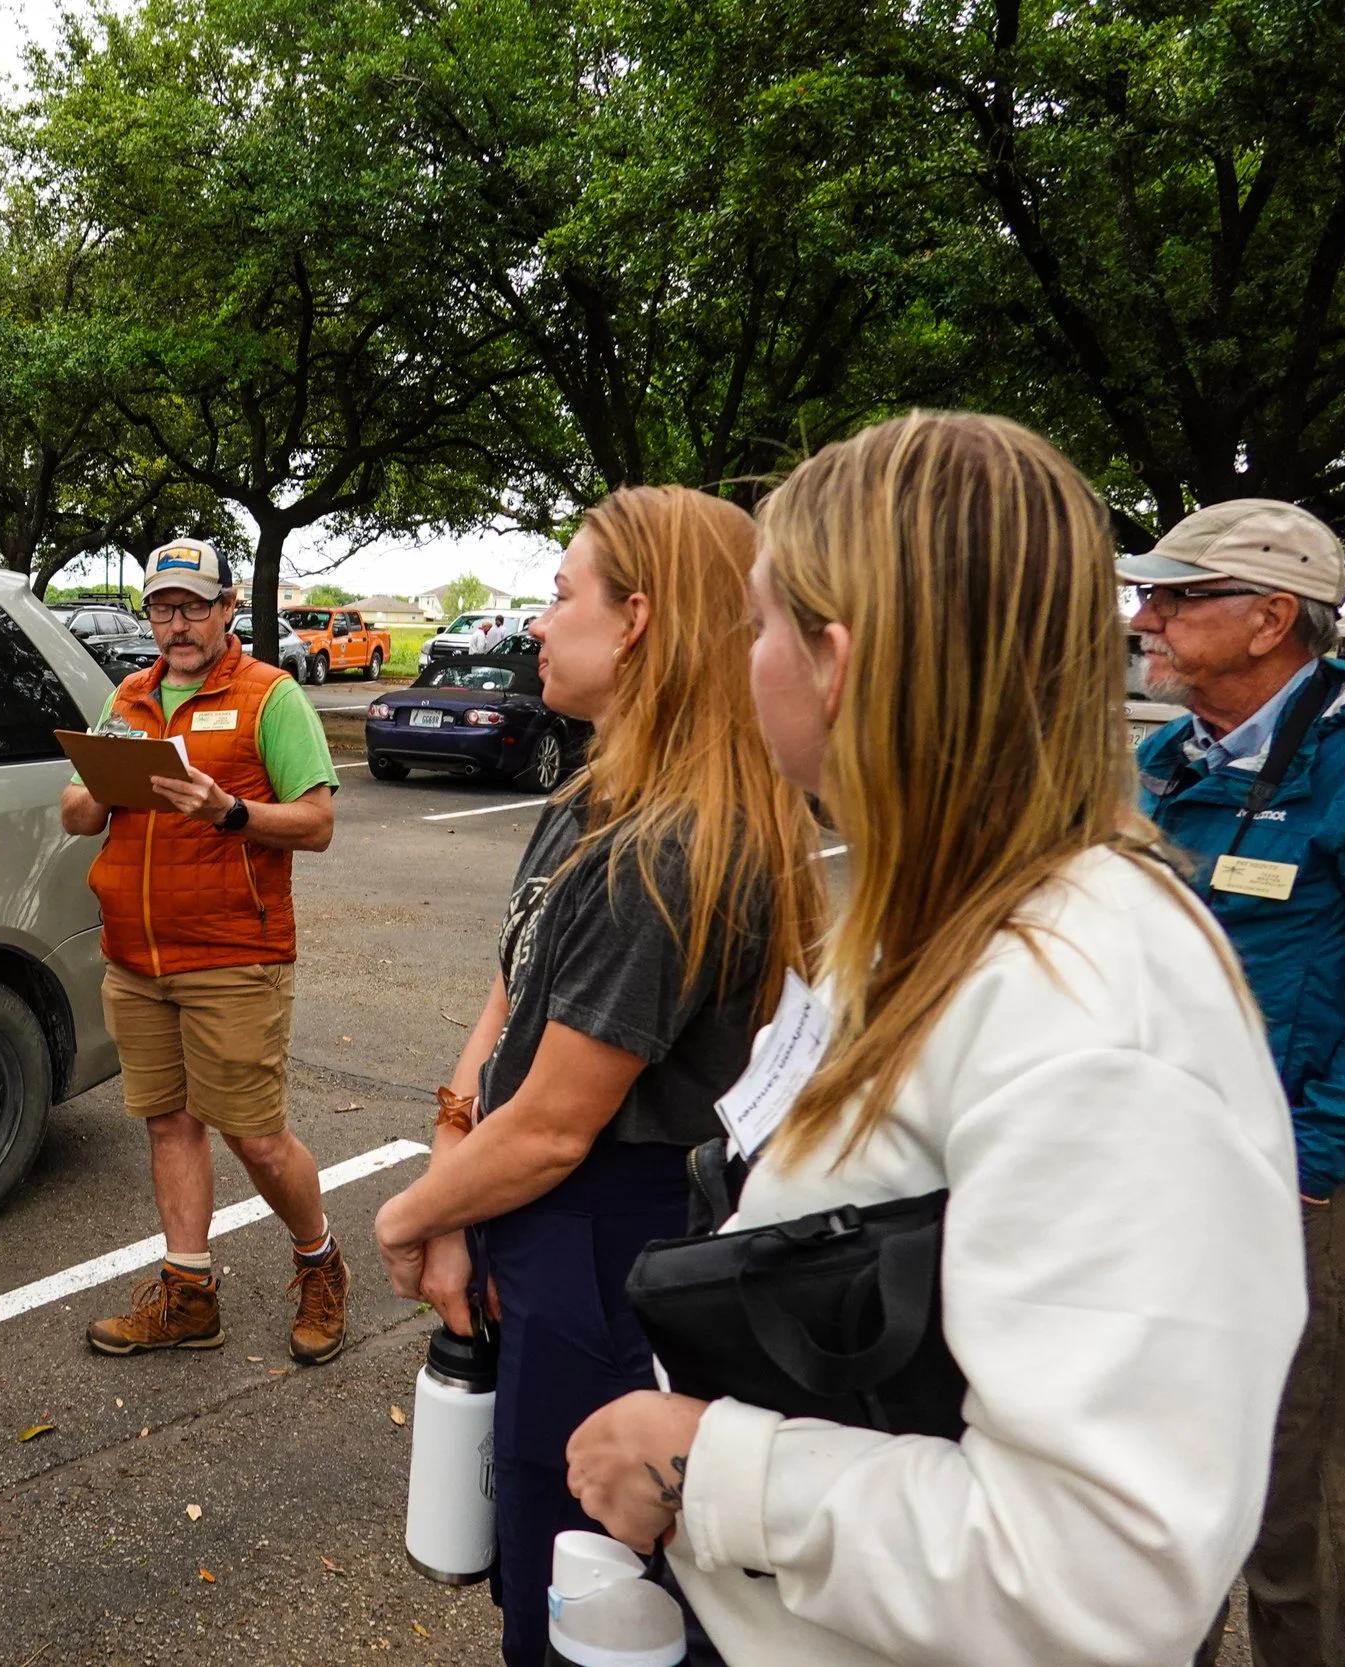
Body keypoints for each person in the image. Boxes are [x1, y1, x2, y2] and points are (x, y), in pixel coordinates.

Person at [565, 412, 1307, 1666]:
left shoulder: (1089, 1010)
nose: (742, 661)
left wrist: (711, 1467)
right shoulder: (953, 926)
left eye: (757, 625)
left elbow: (1104, 1576)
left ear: (835, 660)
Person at [370, 485, 824, 1661]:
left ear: (637, 618)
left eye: (559, 592)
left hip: (611, 1244)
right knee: (536, 1537)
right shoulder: (590, 796)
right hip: (534, 1208)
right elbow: (509, 991)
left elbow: (558, 1125)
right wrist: (456, 1160)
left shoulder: (668, 845)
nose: (534, 621)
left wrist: (408, 1216)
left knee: (593, 1589)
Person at [1121, 499, 1345, 1667]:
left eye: (1176, 596)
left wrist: (1313, 1159)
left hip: (1299, 1187)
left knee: (1290, 1497)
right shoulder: (1168, 763)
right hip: (1168, 1174)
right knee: (1165, 1474)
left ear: (1270, 619)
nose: (1143, 617)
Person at [59, 538, 349, 1364]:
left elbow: (318, 823)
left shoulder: (270, 696)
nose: (177, 624)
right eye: (162, 607)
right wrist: (91, 792)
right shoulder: (129, 696)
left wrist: (231, 811)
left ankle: (321, 1262)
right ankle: (189, 1297)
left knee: (256, 1137)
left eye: (192, 606)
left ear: (227, 609)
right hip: (137, 958)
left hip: (233, 957)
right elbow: (77, 812)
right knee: (170, 1125)